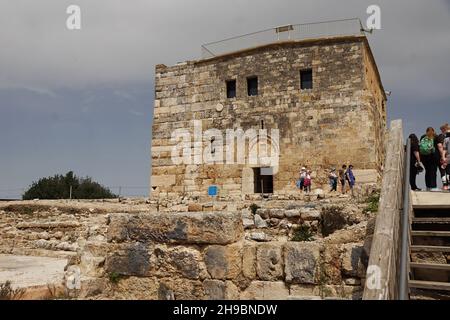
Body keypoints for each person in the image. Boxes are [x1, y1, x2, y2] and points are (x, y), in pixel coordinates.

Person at [441, 124, 450, 190]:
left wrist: (443, 157)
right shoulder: (446, 139)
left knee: (448, 171)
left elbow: (444, 149)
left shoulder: (446, 139)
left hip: (448, 157)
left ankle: (448, 185)